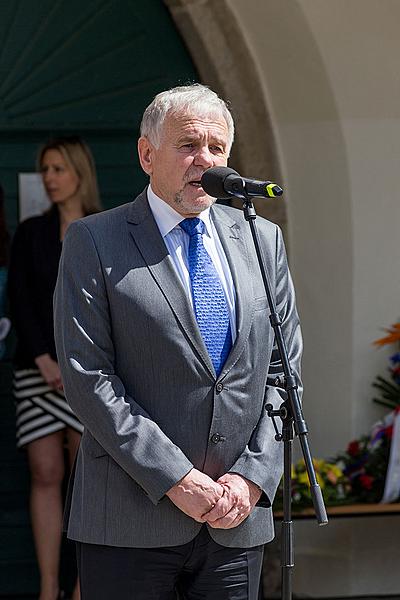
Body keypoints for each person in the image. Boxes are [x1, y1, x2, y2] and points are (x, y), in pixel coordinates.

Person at [54, 84, 303, 600]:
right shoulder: (95, 240)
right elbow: (88, 378)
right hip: (130, 521)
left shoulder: (261, 237)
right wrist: (178, 480)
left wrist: (252, 479)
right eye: (189, 145)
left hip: (234, 520)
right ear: (147, 154)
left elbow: (282, 371)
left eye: (217, 149)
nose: (205, 161)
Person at [8, 137, 101, 600]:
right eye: (45, 169)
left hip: (89, 375)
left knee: (87, 479)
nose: (49, 178)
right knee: (45, 473)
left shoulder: (105, 230)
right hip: (37, 370)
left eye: (58, 169)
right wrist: (45, 358)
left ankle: (85, 587)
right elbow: (20, 300)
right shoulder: (30, 233)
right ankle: (49, 589)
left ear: (80, 172)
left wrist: (78, 365)